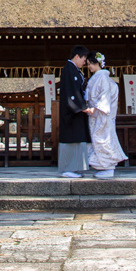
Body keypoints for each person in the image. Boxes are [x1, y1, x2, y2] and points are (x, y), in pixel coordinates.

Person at [84, 51, 125, 178]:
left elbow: (104, 97)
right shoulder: (100, 77)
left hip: (101, 115)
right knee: (99, 140)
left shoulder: (101, 78)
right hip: (98, 115)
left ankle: (107, 167)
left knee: (103, 140)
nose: (89, 67)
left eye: (90, 64)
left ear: (97, 63)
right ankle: (103, 167)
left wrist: (95, 109)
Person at [58, 45, 91, 177]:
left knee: (77, 139)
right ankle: (67, 169)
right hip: (71, 111)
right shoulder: (68, 70)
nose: (84, 62)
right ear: (77, 56)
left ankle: (74, 167)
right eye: (83, 59)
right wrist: (80, 107)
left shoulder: (74, 70)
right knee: (70, 139)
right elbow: (71, 93)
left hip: (76, 110)